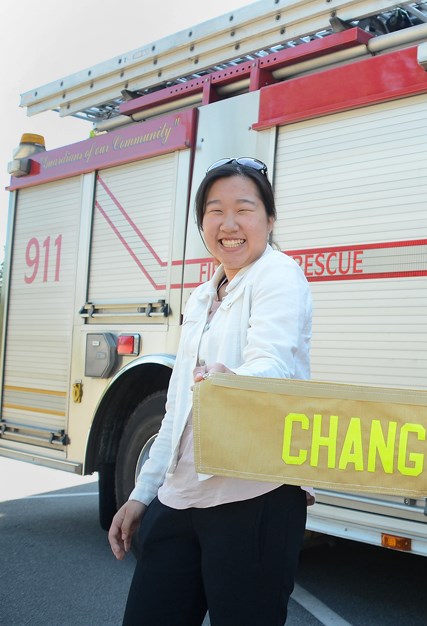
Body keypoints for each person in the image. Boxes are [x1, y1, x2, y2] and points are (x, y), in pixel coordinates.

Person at [108, 157, 313, 625]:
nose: (229, 223)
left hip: (253, 497)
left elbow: (274, 361)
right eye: (214, 211)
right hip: (180, 499)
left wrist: (233, 382)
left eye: (244, 208)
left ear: (269, 220)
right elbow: (178, 407)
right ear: (202, 224)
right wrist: (143, 494)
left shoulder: (278, 274)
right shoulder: (204, 296)